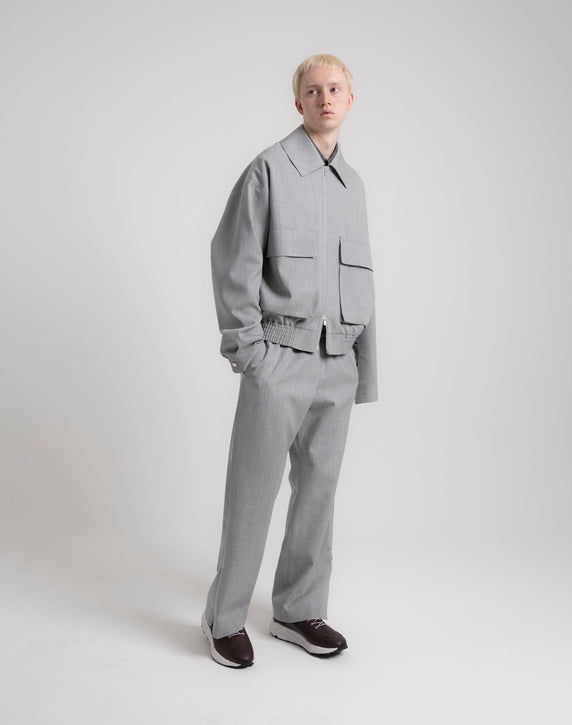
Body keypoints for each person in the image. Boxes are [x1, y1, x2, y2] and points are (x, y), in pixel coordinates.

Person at [201, 53, 378, 668]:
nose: (325, 98)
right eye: (313, 90)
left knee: (318, 496)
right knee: (251, 494)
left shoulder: (354, 186)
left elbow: (364, 281)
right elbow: (233, 259)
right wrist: (250, 353)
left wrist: (362, 369)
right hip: (278, 358)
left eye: (335, 89)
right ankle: (224, 619)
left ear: (349, 100)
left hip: (338, 363)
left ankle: (299, 611)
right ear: (297, 102)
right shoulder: (268, 170)